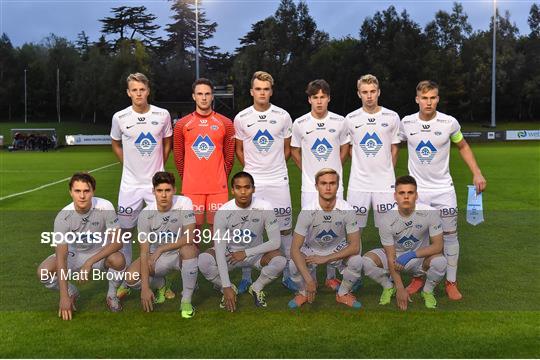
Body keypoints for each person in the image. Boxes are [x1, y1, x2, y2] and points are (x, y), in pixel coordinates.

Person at [399, 80, 487, 300]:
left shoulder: (449, 123)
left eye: (433, 98)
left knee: (449, 236)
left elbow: (463, 145)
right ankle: (419, 278)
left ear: (438, 99)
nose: (429, 102)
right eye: (424, 98)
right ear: (417, 99)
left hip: (443, 191)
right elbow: (391, 146)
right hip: (417, 193)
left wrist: (476, 172)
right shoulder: (406, 123)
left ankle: (450, 281)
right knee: (417, 237)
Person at [110, 72, 173, 298]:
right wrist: (127, 164)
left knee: (159, 234)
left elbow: (167, 143)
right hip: (129, 186)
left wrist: (160, 167)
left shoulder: (162, 114)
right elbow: (115, 143)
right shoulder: (120, 117)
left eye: (142, 89)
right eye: (134, 90)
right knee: (126, 234)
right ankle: (127, 279)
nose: (138, 93)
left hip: (154, 187)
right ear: (128, 92)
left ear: (148, 91)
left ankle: (160, 282)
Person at [233, 71, 293, 293]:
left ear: (271, 91)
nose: (262, 93)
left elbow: (287, 148)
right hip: (253, 182)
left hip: (278, 180)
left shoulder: (283, 116)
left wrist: (273, 166)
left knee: (285, 229)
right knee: (250, 230)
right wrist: (253, 170)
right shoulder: (241, 118)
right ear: (251, 91)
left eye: (266, 89)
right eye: (258, 89)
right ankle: (247, 276)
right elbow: (239, 149)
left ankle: (287, 274)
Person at [37, 173, 125, 320]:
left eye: (86, 191)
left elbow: (117, 242)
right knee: (43, 272)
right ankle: (72, 292)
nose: (82, 196)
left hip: (99, 254)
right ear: (71, 192)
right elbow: (61, 256)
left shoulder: (105, 206)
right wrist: (64, 296)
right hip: (74, 255)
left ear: (93, 191)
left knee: (118, 260)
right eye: (77, 191)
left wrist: (89, 262)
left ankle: (111, 295)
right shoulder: (63, 217)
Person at [198, 171, 286, 311]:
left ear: (254, 189)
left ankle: (256, 287)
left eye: (247, 187)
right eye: (238, 188)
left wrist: (246, 252)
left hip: (255, 254)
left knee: (280, 260)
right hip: (230, 255)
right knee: (203, 260)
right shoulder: (223, 212)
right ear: (232, 190)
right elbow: (219, 251)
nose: (243, 192)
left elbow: (275, 242)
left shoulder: (265, 207)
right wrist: (225, 286)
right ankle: (228, 288)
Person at [291, 79, 349, 291]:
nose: (319, 101)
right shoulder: (300, 123)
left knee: (336, 230)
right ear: (309, 99)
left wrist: (333, 171)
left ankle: (331, 276)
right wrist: (307, 172)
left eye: (323, 97)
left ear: (329, 98)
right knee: (309, 233)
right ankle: (311, 276)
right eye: (315, 97)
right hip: (309, 187)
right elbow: (295, 151)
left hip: (335, 187)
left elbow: (345, 148)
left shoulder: (340, 122)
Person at [362, 175, 447, 310]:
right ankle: (389, 287)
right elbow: (390, 256)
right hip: (395, 259)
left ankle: (427, 291)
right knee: (365, 262)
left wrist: (411, 255)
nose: (406, 197)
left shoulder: (430, 213)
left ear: (416, 195)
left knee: (441, 261)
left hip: (419, 258)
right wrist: (400, 288)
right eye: (402, 193)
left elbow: (438, 246)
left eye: (410, 193)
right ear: (395, 196)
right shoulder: (386, 220)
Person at [121, 172, 198, 318]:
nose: (163, 195)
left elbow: (190, 236)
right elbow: (144, 251)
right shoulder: (145, 214)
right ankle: (160, 284)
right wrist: (144, 288)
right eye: (159, 191)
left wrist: (161, 248)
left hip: (178, 253)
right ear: (153, 191)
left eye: (167, 190)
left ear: (174, 190)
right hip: (156, 258)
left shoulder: (184, 202)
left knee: (190, 250)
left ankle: (186, 301)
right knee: (131, 278)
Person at [288, 168, 363, 309]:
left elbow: (355, 246)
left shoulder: (347, 209)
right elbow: (294, 249)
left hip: (336, 250)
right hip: (311, 251)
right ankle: (303, 292)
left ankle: (343, 293)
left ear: (338, 185)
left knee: (357, 260)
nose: (328, 187)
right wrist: (309, 279)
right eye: (323, 183)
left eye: (332, 183)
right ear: (316, 186)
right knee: (293, 264)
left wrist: (326, 258)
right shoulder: (307, 211)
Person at [173, 78, 235, 233]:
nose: (204, 97)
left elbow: (229, 157)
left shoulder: (226, 123)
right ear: (194, 96)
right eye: (200, 94)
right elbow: (179, 157)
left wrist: (220, 177)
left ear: (212, 96)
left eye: (207, 94)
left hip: (218, 188)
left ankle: (218, 257)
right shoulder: (182, 124)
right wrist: (188, 178)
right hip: (192, 188)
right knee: (192, 234)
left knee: (219, 234)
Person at [345, 74, 401, 229]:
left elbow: (395, 148)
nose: (369, 96)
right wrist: (361, 166)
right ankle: (354, 255)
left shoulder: (392, 117)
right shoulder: (350, 119)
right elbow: (349, 148)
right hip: (358, 183)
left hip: (385, 183)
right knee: (354, 229)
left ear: (379, 92)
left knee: (389, 229)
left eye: (372, 91)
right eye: (365, 92)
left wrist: (387, 171)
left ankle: (390, 254)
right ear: (358, 94)